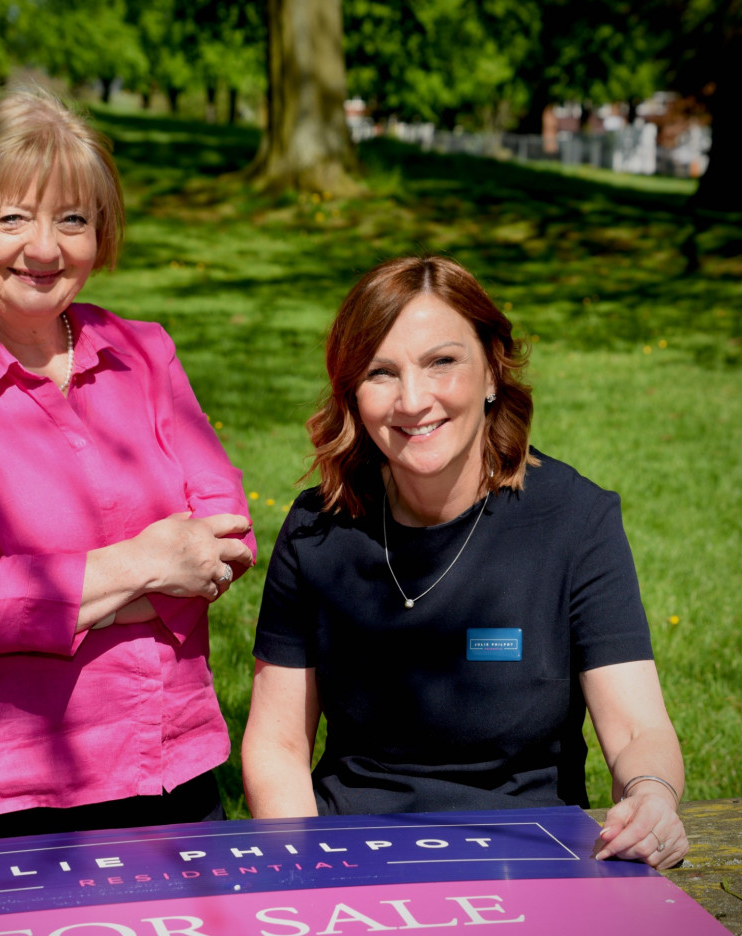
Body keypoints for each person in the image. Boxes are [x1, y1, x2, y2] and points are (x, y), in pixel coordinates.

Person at [0, 87, 255, 845]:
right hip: (0, 792)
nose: (44, 248)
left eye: (72, 219)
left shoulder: (146, 352)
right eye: (11, 218)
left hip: (171, 765)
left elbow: (228, 540)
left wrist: (47, 595)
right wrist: (145, 565)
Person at [242, 254, 687, 870]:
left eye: (441, 362)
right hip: (353, 857)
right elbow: (278, 745)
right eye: (381, 373)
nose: (412, 400)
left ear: (492, 373)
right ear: (352, 392)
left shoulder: (575, 521)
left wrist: (652, 798)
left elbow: (640, 731)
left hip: (533, 860)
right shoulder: (317, 530)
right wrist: (309, 871)